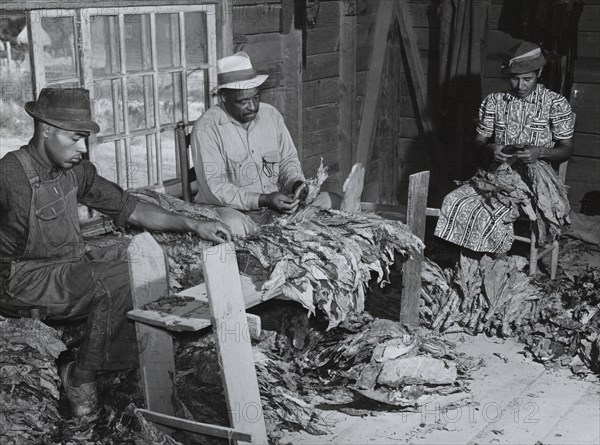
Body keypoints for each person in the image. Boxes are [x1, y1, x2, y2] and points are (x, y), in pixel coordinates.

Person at [0, 87, 232, 417]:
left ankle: (122, 361)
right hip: (24, 281)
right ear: (45, 128)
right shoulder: (9, 175)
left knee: (140, 259)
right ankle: (80, 375)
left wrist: (192, 224)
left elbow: (128, 208)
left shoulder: (75, 169)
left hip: (70, 264)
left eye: (85, 139)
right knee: (122, 277)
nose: (82, 148)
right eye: (74, 138)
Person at [434, 41, 574, 254]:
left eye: (527, 79)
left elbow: (566, 150)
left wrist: (540, 152)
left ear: (539, 72)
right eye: (514, 78)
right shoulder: (495, 102)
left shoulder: (555, 103)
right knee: (454, 200)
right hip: (495, 175)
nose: (520, 86)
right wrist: (491, 149)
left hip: (534, 180)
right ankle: (469, 262)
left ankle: (491, 262)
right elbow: (478, 142)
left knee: (492, 210)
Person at [190, 51, 339, 236]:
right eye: (243, 101)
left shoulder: (271, 115)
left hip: (273, 210)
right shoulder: (207, 128)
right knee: (231, 225)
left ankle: (284, 236)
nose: (252, 106)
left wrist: (296, 184)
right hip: (231, 211)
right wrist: (262, 199)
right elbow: (217, 188)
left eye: (256, 97)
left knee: (331, 202)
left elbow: (287, 161)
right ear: (223, 96)